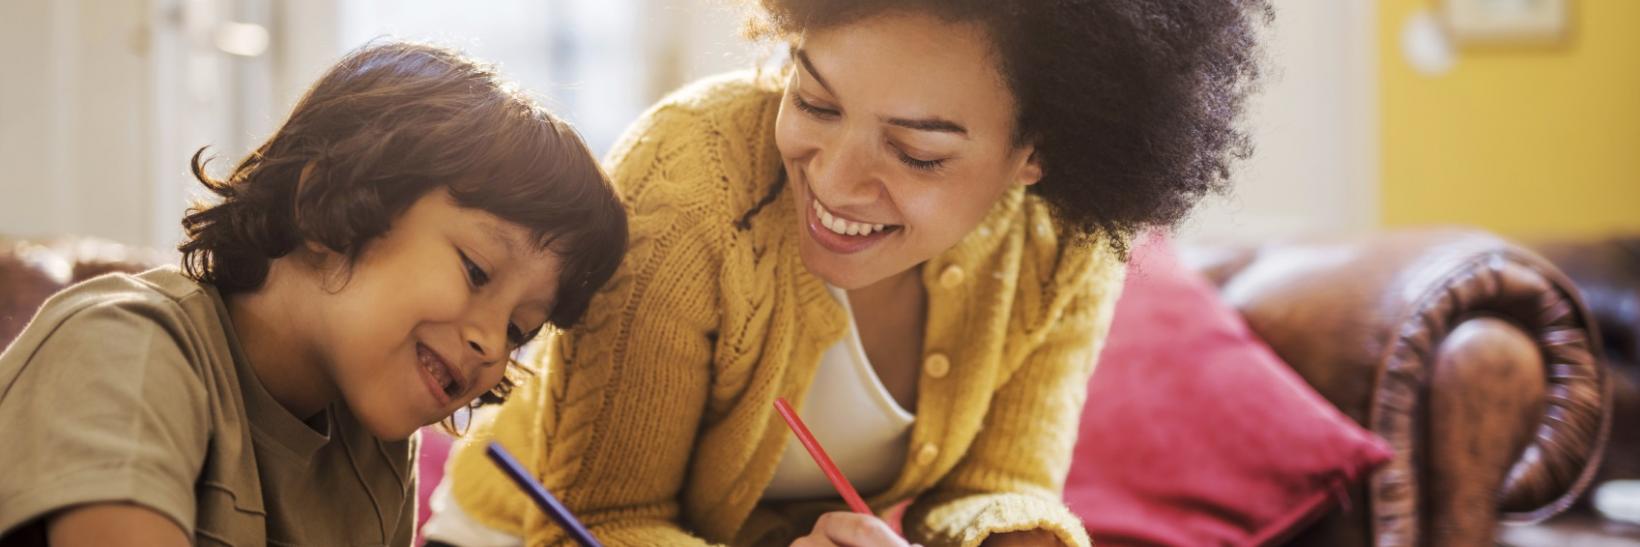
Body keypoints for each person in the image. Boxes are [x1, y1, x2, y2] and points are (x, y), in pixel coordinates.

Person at [430, 1, 1268, 545]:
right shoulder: (686, 183)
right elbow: (605, 517)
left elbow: (998, 483)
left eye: (915, 152)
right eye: (815, 101)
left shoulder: (1061, 242)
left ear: (1036, 155)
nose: (832, 180)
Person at [0, 41, 627, 547]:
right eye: (477, 271)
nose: (490, 343)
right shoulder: (128, 348)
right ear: (326, 208)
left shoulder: (375, 451)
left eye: (520, 329)